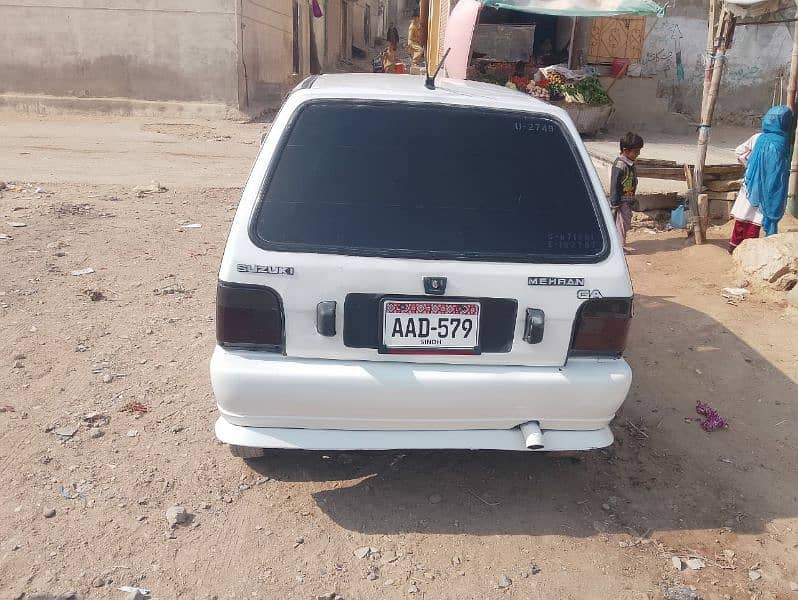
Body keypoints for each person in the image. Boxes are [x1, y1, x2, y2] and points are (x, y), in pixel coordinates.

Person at [728, 105, 792, 252]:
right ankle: (749, 252)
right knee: (757, 220)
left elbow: (739, 151)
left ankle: (733, 247)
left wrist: (750, 167)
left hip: (751, 186)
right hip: (770, 187)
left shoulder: (758, 137)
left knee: (743, 215)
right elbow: (780, 168)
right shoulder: (784, 142)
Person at [609, 132, 644, 248]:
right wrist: (615, 202)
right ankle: (619, 247)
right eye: (636, 151)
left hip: (627, 199)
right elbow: (614, 184)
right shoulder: (620, 165)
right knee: (621, 224)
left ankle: (618, 244)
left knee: (624, 222)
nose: (638, 154)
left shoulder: (629, 163)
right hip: (620, 201)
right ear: (625, 150)